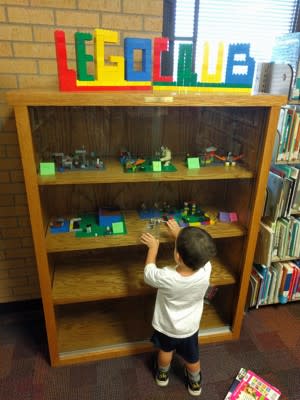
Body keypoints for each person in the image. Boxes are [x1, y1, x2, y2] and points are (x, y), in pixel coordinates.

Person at [140, 219, 216, 396]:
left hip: (167, 327)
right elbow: (194, 256)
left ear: (178, 256)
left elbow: (148, 274)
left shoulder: (167, 276)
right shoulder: (206, 268)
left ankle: (162, 374)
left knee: (165, 351)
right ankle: (195, 383)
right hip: (189, 328)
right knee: (192, 357)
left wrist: (153, 249)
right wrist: (179, 236)